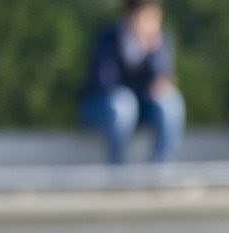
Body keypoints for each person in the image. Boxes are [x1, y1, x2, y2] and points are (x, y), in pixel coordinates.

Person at [78, 0, 186, 164]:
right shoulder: (108, 39)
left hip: (142, 107)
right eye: (147, 17)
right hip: (105, 107)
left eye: (156, 18)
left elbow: (162, 79)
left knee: (170, 102)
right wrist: (132, 49)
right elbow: (104, 82)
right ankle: (117, 169)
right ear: (129, 16)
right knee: (123, 103)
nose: (153, 24)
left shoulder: (160, 40)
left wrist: (151, 52)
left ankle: (162, 166)